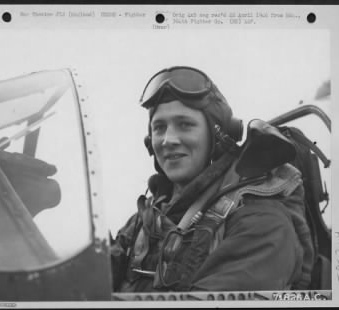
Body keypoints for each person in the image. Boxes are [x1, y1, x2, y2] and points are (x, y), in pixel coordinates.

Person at [110, 66, 314, 292]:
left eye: (185, 124)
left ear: (218, 136)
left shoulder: (262, 221)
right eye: (159, 127)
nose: (168, 140)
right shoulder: (145, 219)